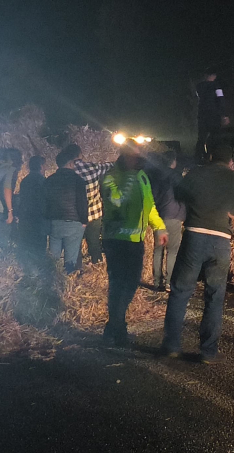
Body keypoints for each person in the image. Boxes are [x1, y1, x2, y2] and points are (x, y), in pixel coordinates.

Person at [162, 144, 234, 364]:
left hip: (194, 235)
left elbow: (179, 193)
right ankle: (208, 352)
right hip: (221, 240)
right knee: (214, 296)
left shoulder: (196, 173)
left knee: (181, 291)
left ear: (210, 156)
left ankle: (171, 346)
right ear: (230, 162)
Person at [101, 140, 168, 346]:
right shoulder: (112, 177)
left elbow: (150, 206)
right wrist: (128, 181)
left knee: (127, 284)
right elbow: (115, 203)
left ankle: (114, 328)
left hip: (135, 241)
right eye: (135, 155)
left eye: (140, 155)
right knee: (120, 284)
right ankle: (116, 330)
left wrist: (159, 227)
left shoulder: (142, 177)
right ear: (125, 155)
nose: (139, 159)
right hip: (117, 240)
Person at [66, 144, 115, 266]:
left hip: (76, 216)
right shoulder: (93, 167)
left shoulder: (68, 172)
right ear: (80, 154)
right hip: (94, 214)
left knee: (75, 244)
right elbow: (109, 166)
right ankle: (97, 264)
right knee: (94, 243)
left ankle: (76, 268)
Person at [145, 150, 186, 291]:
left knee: (158, 250)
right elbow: (184, 194)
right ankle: (169, 282)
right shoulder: (177, 176)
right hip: (174, 216)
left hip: (159, 216)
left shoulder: (154, 176)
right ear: (173, 161)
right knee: (172, 251)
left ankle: (157, 282)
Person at [45, 150, 89, 274]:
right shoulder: (78, 180)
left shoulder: (50, 180)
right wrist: (84, 221)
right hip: (73, 222)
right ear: (70, 164)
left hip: (54, 222)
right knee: (71, 258)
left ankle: (52, 277)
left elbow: (45, 201)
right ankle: (68, 279)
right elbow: (82, 202)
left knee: (53, 257)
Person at [195, 69, 229, 164]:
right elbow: (221, 99)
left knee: (201, 137)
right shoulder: (216, 86)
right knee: (214, 137)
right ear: (213, 76)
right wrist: (224, 115)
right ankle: (213, 157)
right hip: (214, 116)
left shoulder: (199, 86)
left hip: (202, 115)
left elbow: (199, 97)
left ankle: (198, 158)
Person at [18, 156, 48, 255]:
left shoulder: (24, 181)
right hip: (38, 219)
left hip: (25, 217)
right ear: (41, 166)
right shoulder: (42, 181)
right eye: (44, 166)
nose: (45, 168)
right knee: (39, 248)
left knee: (28, 247)